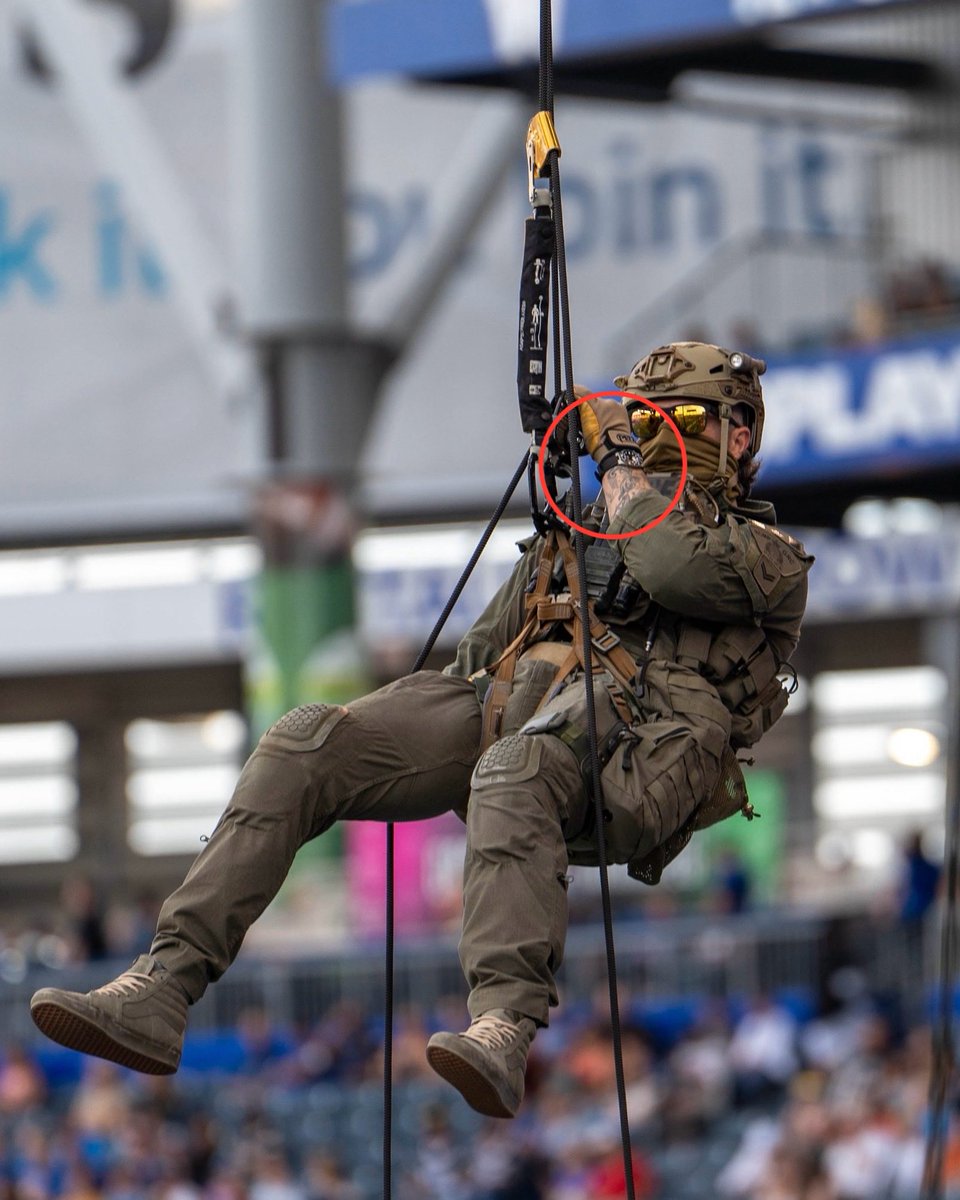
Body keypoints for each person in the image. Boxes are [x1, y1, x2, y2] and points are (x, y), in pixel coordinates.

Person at [30, 342, 812, 1121]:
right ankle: (163, 986)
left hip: (640, 756)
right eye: (640, 420)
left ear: (737, 434)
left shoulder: (768, 558)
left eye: (675, 421)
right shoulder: (586, 530)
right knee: (303, 741)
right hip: (528, 719)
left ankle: (505, 1023)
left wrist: (612, 460)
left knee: (514, 767)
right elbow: (484, 651)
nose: (649, 436)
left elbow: (673, 563)